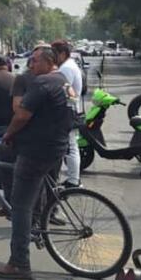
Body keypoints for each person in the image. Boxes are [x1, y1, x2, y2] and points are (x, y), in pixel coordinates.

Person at [0, 46, 72, 280]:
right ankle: (38, 223)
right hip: (57, 146)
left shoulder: (42, 82)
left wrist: (8, 134)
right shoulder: (62, 81)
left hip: (37, 149)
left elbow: (22, 114)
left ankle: (19, 263)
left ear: (48, 61)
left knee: (20, 206)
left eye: (35, 61)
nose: (31, 65)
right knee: (37, 191)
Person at [51, 41, 84, 188]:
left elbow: (62, 91)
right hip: (69, 110)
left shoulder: (66, 69)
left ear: (62, 54)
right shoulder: (68, 65)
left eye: (54, 54)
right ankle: (73, 179)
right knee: (70, 146)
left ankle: (73, 181)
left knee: (70, 147)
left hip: (68, 111)